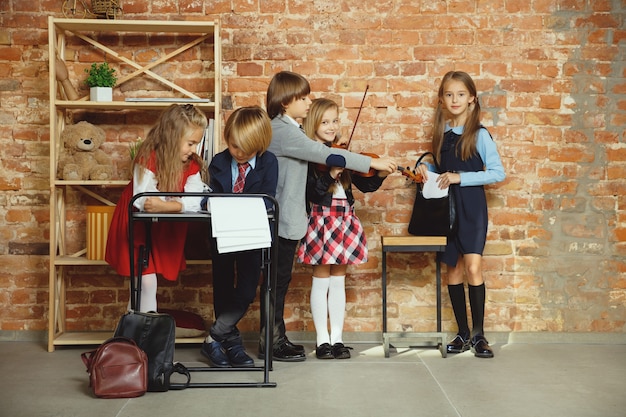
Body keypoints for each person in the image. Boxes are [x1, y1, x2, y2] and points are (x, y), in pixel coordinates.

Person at [261, 71, 397, 362]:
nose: (308, 102)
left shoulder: (291, 130)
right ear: (286, 102)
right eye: (303, 98)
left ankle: (282, 338)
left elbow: (363, 180)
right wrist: (370, 160)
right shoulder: (284, 131)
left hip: (332, 221)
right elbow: (322, 163)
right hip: (297, 218)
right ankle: (278, 341)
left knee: (285, 281)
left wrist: (377, 172)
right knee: (279, 281)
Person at [416, 71, 505, 358]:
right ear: (441, 99)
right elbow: (443, 172)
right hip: (446, 209)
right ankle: (462, 333)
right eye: (449, 94)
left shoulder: (479, 135)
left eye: (461, 94)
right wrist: (426, 171)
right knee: (452, 268)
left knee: (473, 268)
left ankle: (479, 335)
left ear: (472, 99)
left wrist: (460, 178)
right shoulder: (441, 136)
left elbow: (496, 173)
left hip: (472, 208)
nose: (455, 99)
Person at [297, 98, 390, 359]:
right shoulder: (311, 157)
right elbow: (313, 194)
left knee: (339, 281)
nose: (331, 126)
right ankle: (321, 340)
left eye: (335, 121)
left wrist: (381, 172)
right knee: (321, 279)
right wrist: (331, 173)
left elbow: (367, 186)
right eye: (325, 122)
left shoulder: (343, 155)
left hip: (344, 221)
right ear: (312, 124)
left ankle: (337, 339)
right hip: (321, 221)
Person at [105, 104, 208, 312]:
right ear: (172, 136)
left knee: (141, 284)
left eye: (196, 144)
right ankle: (142, 337)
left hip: (160, 224)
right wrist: (172, 205)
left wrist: (168, 205)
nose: (193, 150)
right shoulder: (148, 156)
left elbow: (196, 199)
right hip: (137, 224)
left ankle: (131, 335)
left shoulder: (192, 164)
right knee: (146, 282)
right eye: (190, 143)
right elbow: (146, 201)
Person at [199, 106, 278, 368]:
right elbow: (206, 197)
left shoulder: (269, 163)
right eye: (234, 146)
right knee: (222, 287)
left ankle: (213, 338)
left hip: (251, 235)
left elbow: (267, 201)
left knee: (245, 290)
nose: (240, 153)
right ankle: (229, 342)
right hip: (221, 234)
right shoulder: (219, 162)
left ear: (261, 144)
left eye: (247, 149)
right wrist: (208, 203)